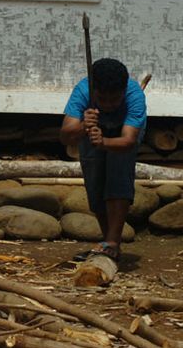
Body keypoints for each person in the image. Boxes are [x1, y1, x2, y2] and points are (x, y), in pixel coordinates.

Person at [59, 58, 146, 263]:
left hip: (123, 136)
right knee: (95, 179)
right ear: (94, 90)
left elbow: (128, 140)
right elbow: (65, 136)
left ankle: (113, 242)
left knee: (118, 172)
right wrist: (83, 126)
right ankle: (109, 241)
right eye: (102, 99)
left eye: (114, 100)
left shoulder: (135, 97)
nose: (107, 105)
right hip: (91, 132)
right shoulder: (82, 91)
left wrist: (105, 141)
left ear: (123, 91)